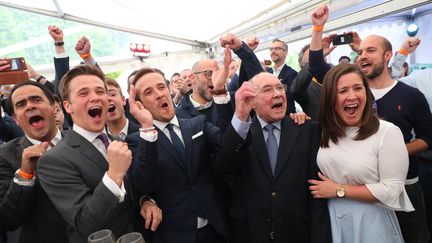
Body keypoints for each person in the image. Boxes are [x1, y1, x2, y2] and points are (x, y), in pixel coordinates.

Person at [309, 5, 432, 242]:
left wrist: (392, 153)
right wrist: (317, 28)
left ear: (388, 57)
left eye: (371, 50)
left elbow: (428, 138)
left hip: (405, 184)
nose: (363, 55)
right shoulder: (352, 95)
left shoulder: (410, 94)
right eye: (360, 51)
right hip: (351, 202)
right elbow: (316, 67)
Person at [215, 71, 331, 243]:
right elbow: (224, 167)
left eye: (280, 88)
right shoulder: (240, 132)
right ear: (252, 101)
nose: (277, 93)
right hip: (251, 232)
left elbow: (316, 191)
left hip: (298, 232)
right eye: (268, 89)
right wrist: (240, 117)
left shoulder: (307, 130)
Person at [37, 65, 149, 242]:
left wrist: (145, 200)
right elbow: (85, 223)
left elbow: (132, 193)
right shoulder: (53, 161)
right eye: (83, 93)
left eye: (100, 91)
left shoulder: (118, 141)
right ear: (68, 106)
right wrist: (114, 175)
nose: (95, 97)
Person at [309, 64, 413, 243]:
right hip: (331, 221)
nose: (352, 96)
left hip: (371, 223)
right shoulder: (325, 132)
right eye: (343, 90)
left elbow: (392, 190)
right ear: (329, 98)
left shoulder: (387, 132)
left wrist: (339, 190)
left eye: (358, 88)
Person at [128, 67, 229, 243]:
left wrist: (220, 95)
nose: (159, 94)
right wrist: (147, 128)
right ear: (140, 104)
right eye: (149, 92)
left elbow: (227, 146)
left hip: (216, 229)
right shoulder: (138, 140)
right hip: (176, 236)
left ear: (169, 89)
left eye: (161, 87)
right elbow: (144, 185)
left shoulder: (197, 123)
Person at [0, 81, 68, 242]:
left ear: (53, 106)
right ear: (16, 119)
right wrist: (25, 175)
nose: (30, 106)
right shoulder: (5, 156)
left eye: (36, 99)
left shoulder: (82, 142)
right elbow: (8, 220)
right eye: (21, 104)